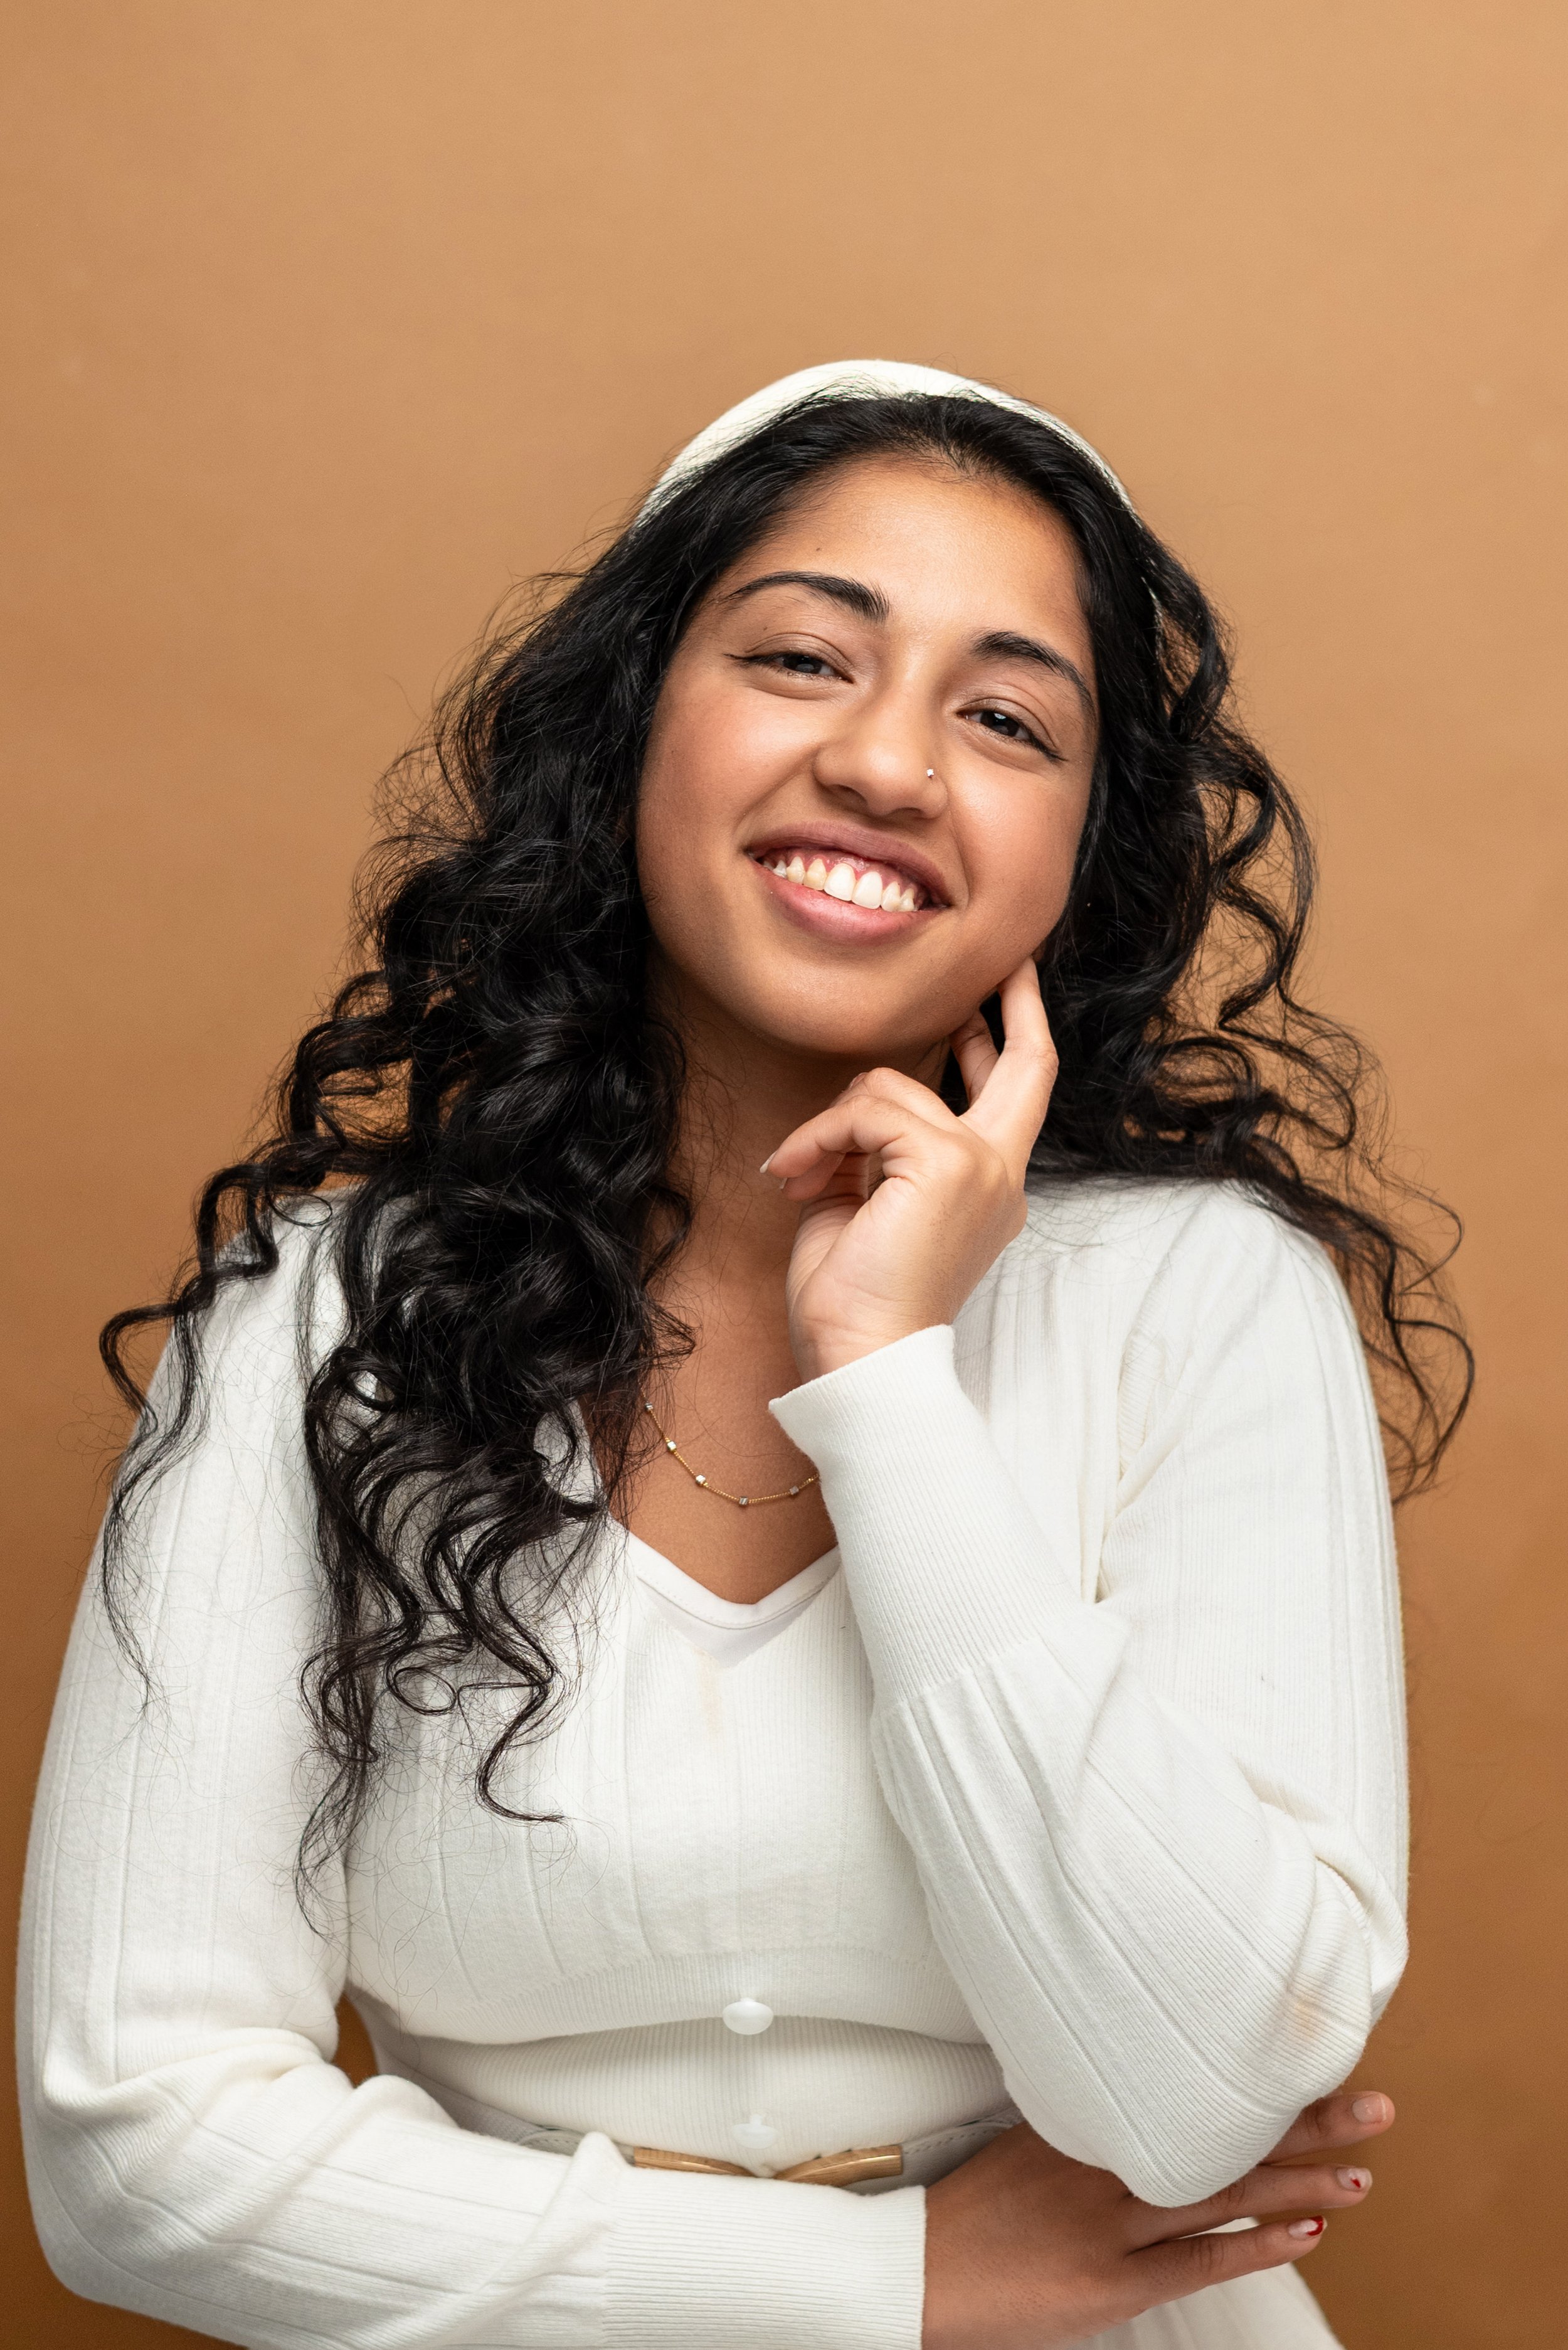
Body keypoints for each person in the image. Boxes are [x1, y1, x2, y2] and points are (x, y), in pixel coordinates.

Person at [20, 361, 1467, 2349]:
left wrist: (884, 1388)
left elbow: (1189, 2092)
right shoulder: (312, 1321)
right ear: (635, 726)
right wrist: (888, 2282)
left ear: (1078, 856)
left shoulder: (1210, 1297)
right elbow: (136, 2154)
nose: (886, 765)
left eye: (1004, 717)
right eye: (802, 657)